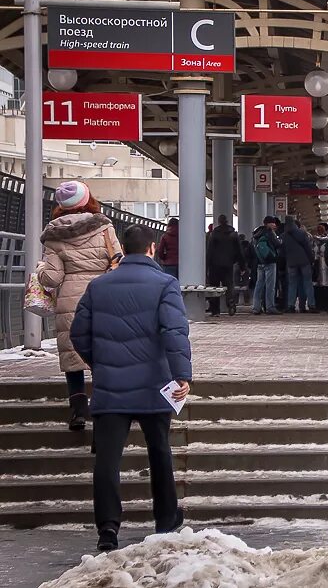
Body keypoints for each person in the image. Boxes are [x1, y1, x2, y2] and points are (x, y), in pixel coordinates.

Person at [70, 224, 191, 552]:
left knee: (107, 460)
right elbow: (174, 332)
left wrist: (101, 361)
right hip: (154, 384)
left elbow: (78, 333)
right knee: (159, 451)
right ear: (152, 249)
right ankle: (166, 519)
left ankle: (108, 529)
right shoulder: (166, 284)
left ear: (123, 250)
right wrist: (182, 375)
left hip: (111, 388)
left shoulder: (98, 286)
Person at [36, 181, 123, 431]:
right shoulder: (104, 227)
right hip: (102, 297)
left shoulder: (53, 234)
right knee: (101, 354)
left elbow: (52, 278)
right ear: (88, 201)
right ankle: (102, 408)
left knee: (73, 355)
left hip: (70, 300)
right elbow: (117, 260)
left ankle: (77, 411)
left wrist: (42, 271)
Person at [205, 215, 245, 317]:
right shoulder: (233, 234)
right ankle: (231, 305)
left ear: (218, 222)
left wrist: (206, 266)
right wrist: (242, 266)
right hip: (228, 264)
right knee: (229, 285)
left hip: (214, 265)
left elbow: (209, 251)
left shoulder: (214, 234)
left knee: (214, 287)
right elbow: (239, 251)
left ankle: (215, 310)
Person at [284, 219, 317, 313]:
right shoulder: (302, 233)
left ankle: (291, 306)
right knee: (307, 283)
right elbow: (307, 247)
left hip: (291, 262)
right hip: (304, 261)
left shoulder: (285, 235)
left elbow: (283, 250)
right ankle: (311, 305)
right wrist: (311, 260)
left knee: (292, 284)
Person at [251, 217, 282, 315]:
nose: (274, 225)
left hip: (260, 262)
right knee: (270, 286)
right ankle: (270, 307)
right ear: (268, 224)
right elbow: (277, 244)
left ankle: (256, 307)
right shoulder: (269, 232)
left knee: (259, 285)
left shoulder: (256, 233)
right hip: (270, 261)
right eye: (273, 223)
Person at [312, 223, 328, 312]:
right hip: (327, 263)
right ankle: (327, 304)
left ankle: (319, 304)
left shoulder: (315, 240)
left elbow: (314, 252)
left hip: (317, 264)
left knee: (318, 284)